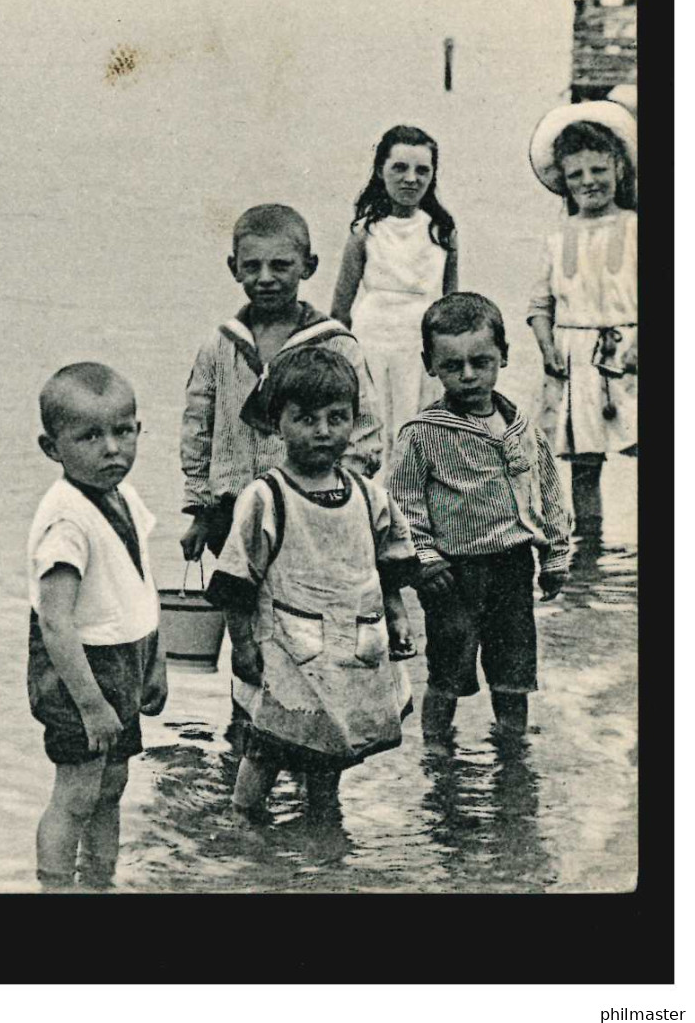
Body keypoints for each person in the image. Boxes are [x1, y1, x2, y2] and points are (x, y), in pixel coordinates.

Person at [180, 204, 383, 737]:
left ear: (308, 266)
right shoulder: (220, 344)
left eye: (280, 265)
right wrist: (199, 508)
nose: (265, 278)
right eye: (252, 267)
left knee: (307, 628)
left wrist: (332, 493)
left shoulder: (334, 343)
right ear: (234, 268)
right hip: (233, 514)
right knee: (243, 633)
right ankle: (246, 730)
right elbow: (196, 426)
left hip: (306, 519)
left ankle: (312, 735)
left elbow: (365, 432)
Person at [205, 347, 418, 820]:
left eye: (336, 417)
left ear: (353, 420)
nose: (322, 431)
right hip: (286, 645)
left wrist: (398, 615)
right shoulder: (267, 496)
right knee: (268, 743)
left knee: (333, 741)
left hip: (350, 644)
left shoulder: (367, 494)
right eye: (305, 418)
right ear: (277, 422)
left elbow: (389, 563)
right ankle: (244, 821)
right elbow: (236, 579)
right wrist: (241, 644)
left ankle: (324, 822)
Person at [387, 293, 571, 753]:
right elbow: (402, 504)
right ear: (430, 364)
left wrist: (555, 556)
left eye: (481, 361)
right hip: (454, 574)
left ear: (504, 356)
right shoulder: (422, 433)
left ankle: (513, 755)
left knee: (514, 674)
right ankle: (437, 754)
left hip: (513, 567)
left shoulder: (523, 428)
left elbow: (547, 493)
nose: (468, 375)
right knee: (448, 671)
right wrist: (424, 561)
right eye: (453, 365)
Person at [27, 363, 166, 888]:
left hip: (124, 657)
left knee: (113, 785)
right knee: (77, 791)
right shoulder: (66, 519)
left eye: (124, 431)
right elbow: (55, 623)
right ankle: (56, 884)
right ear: (52, 447)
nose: (112, 449)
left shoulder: (123, 496)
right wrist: (89, 703)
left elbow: (140, 583)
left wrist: (157, 662)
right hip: (79, 672)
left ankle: (101, 880)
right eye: (90, 436)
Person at [525, 102, 638, 540]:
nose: (589, 182)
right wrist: (546, 346)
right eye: (577, 175)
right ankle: (588, 557)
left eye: (598, 170)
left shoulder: (636, 227)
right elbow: (540, 304)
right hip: (575, 361)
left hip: (630, 355)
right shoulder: (557, 238)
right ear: (564, 183)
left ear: (618, 169)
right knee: (584, 467)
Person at [331, 125, 460, 442]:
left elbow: (452, 305)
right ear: (380, 170)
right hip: (373, 340)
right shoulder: (365, 232)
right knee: (373, 429)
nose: (411, 179)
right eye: (399, 168)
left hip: (421, 344)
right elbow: (340, 309)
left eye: (422, 170)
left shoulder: (442, 232)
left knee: (420, 430)